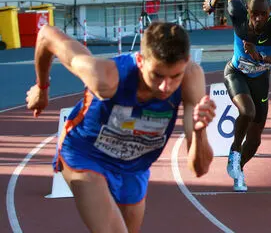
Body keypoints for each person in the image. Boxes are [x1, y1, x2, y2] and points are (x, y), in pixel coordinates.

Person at [26, 22, 215, 233]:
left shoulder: (191, 78)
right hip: (86, 154)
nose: (166, 87)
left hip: (134, 166)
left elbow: (199, 169)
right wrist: (42, 88)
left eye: (175, 77)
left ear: (186, 62)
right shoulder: (106, 77)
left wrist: (199, 133)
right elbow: (46, 35)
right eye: (158, 75)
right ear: (141, 61)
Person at [203, 0, 271, 191]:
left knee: (254, 141)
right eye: (254, 13)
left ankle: (239, 169)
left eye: (263, 14)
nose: (258, 18)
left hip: (260, 80)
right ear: (247, 9)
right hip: (235, 73)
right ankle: (234, 152)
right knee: (247, 111)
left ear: (270, 11)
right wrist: (212, 3)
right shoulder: (237, 13)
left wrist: (262, 57)